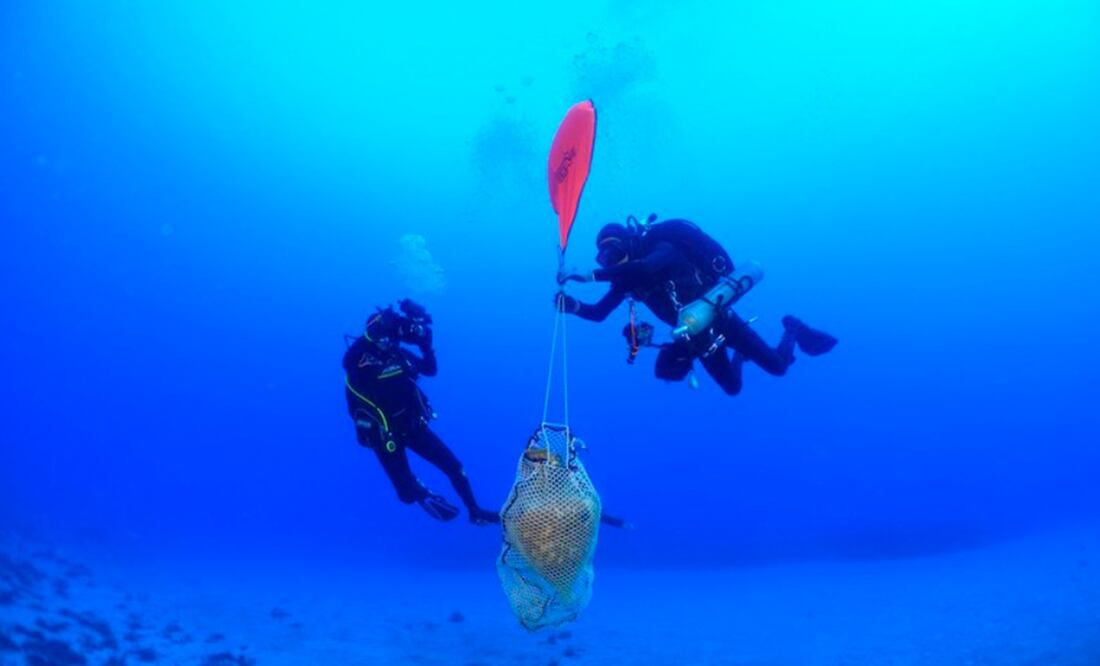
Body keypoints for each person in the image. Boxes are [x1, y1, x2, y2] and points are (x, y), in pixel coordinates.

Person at [557, 216, 837, 396]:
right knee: (732, 387)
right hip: (695, 334)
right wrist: (571, 305)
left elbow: (645, 267)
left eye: (614, 253)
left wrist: (590, 275)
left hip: (719, 317)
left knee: (778, 367)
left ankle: (792, 328)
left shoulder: (662, 247)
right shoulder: (625, 282)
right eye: (604, 259)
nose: (611, 262)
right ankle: (742, 355)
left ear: (629, 245)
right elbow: (598, 313)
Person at [342, 299, 499, 525]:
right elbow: (347, 361)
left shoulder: (399, 354)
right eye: (382, 336)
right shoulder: (360, 361)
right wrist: (377, 330)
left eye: (390, 336)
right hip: (384, 433)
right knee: (406, 494)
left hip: (413, 426)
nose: (387, 341)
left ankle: (475, 511)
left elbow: (430, 369)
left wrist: (426, 345)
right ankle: (419, 492)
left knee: (455, 467)